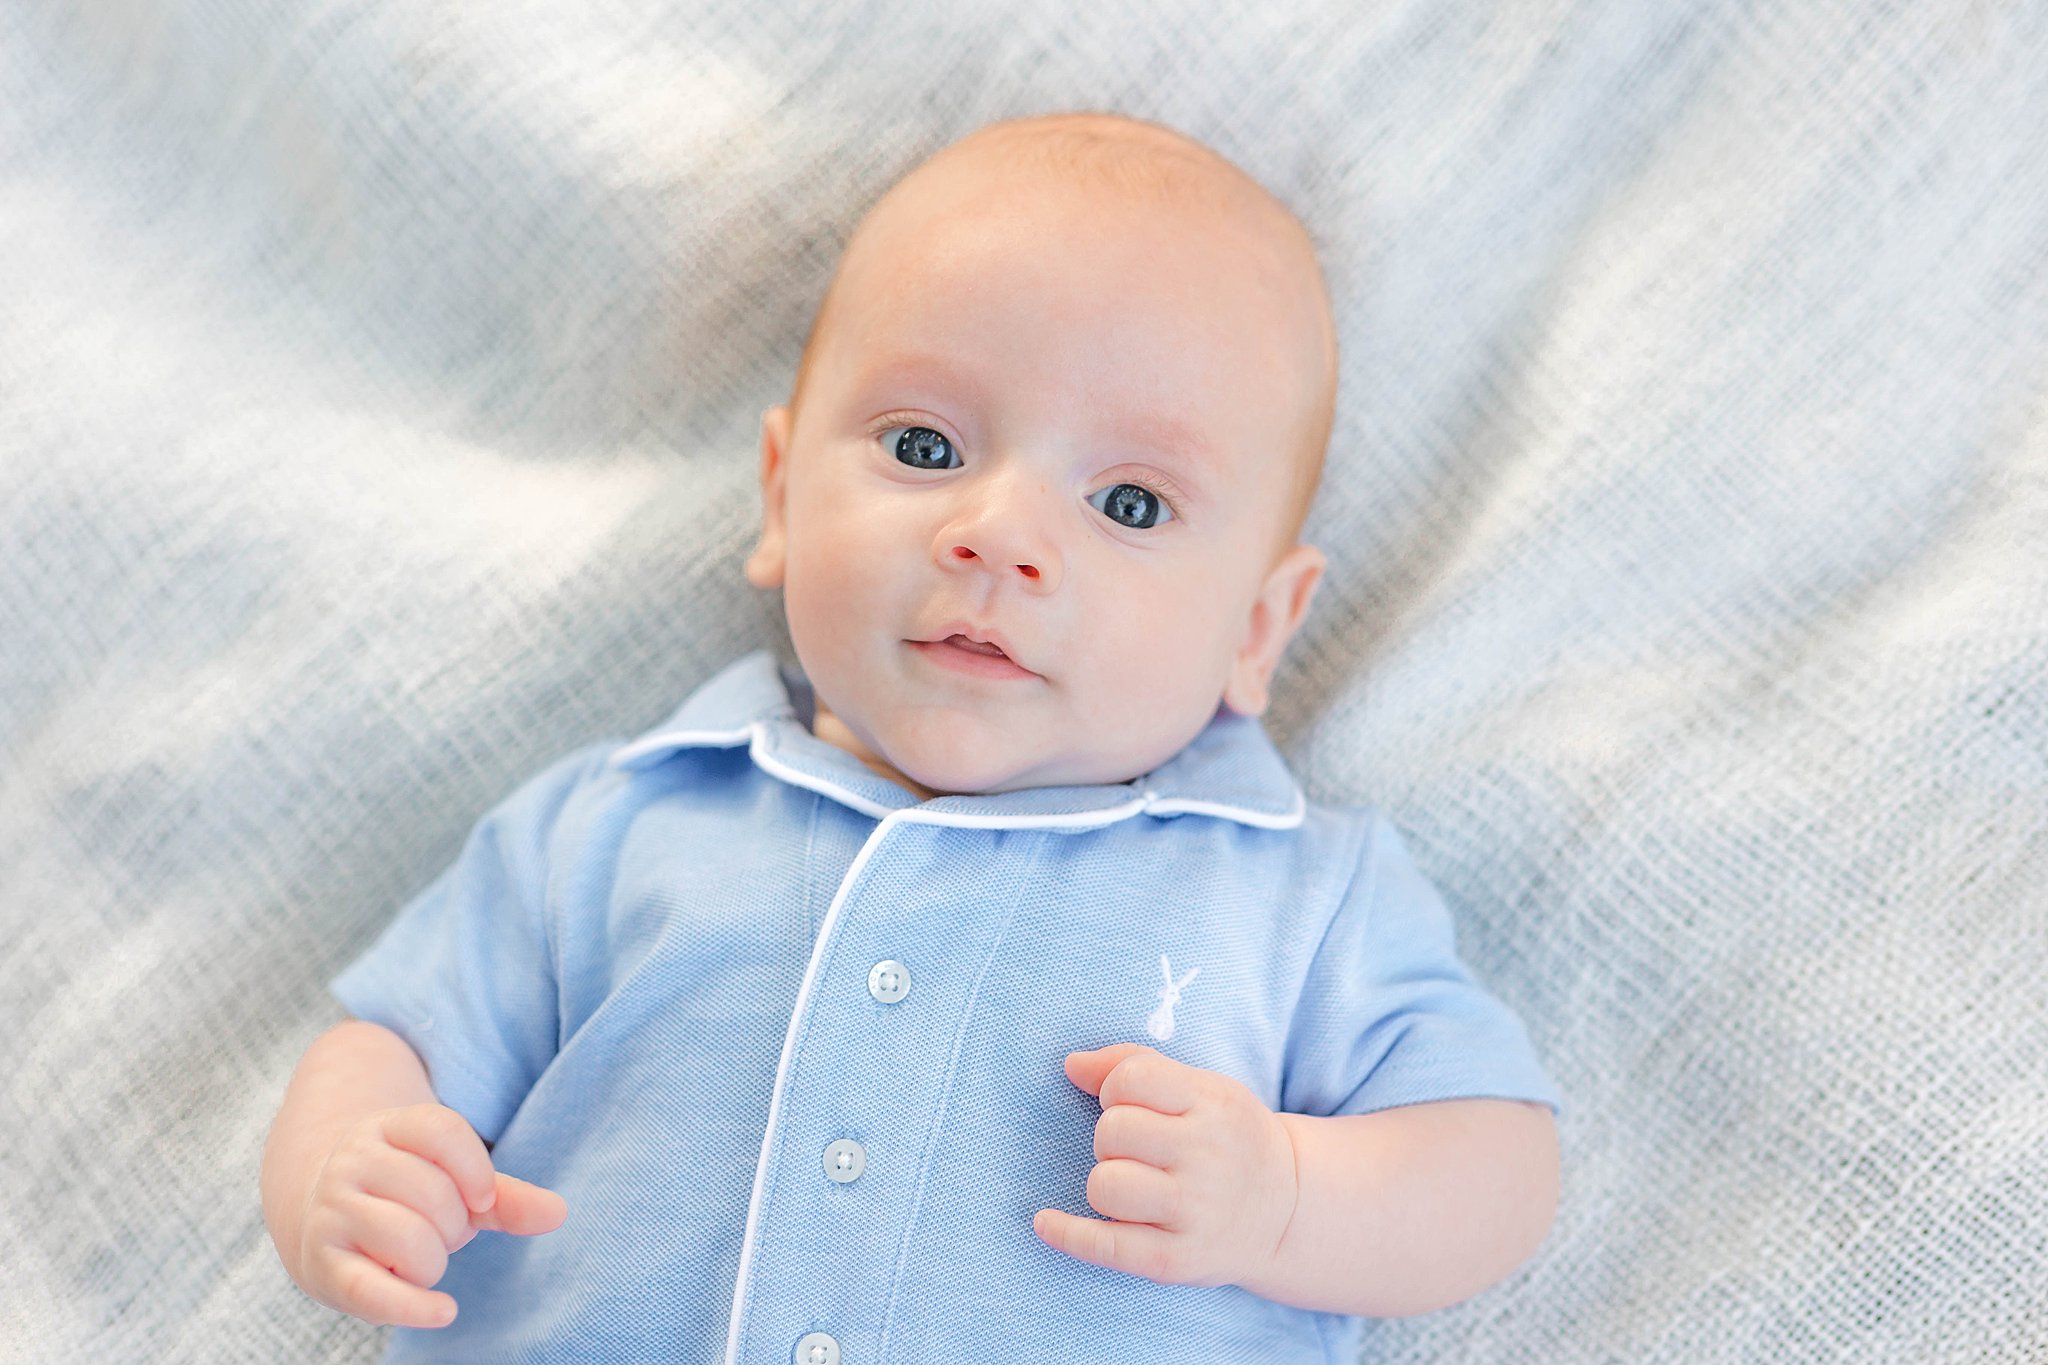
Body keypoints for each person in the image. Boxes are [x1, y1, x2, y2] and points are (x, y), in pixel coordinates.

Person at [261, 109, 1561, 1362]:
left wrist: (1284, 1194)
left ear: (1257, 630)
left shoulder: (1290, 895)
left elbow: (1496, 1162)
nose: (997, 532)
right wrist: (349, 1164)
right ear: (780, 495)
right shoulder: (623, 820)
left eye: (1128, 501)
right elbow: (391, 1039)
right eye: (926, 443)